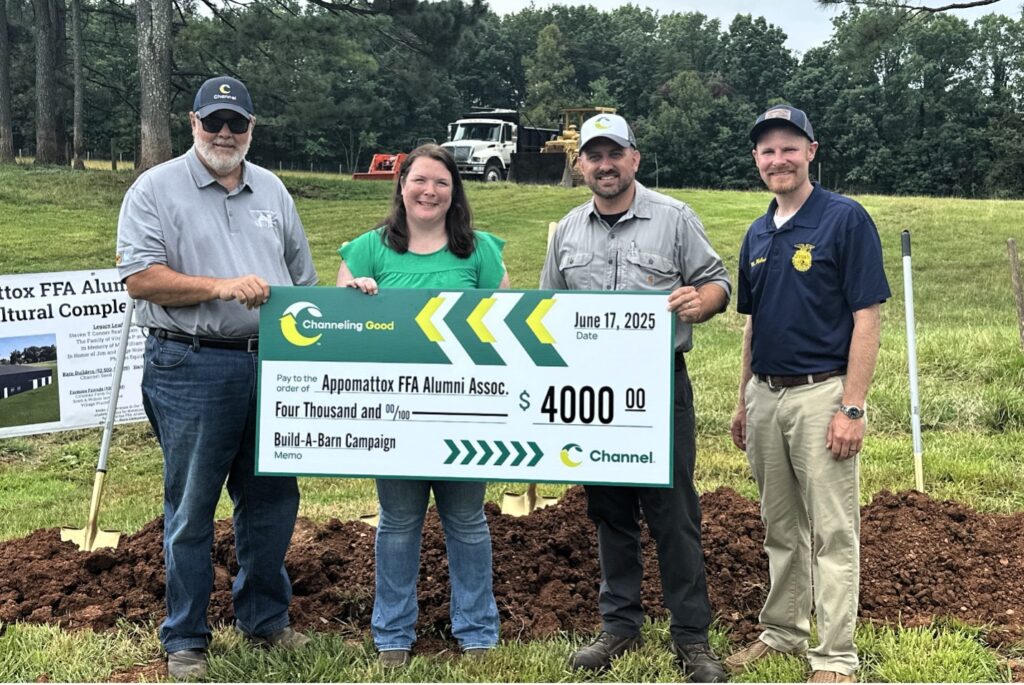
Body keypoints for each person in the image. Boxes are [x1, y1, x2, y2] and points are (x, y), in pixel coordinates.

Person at [115, 75, 318, 681]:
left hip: (270, 363)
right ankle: (185, 638)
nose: (225, 133)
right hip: (191, 364)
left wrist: (346, 302)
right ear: (193, 122)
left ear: (252, 129)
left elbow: (300, 285)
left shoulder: (273, 191)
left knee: (272, 500)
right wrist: (220, 286)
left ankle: (265, 621)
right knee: (192, 506)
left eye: (237, 123)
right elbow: (141, 278)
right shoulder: (155, 189)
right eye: (214, 122)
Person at [540, 113, 730, 682]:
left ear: (634, 159)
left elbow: (717, 279)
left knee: (673, 512)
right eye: (594, 155)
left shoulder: (674, 219)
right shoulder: (566, 231)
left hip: (658, 382)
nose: (604, 164)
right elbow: (549, 311)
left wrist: (705, 302)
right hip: (591, 391)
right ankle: (619, 625)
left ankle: (691, 637)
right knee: (609, 511)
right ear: (581, 165)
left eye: (614, 153)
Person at [726, 105, 890, 684]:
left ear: (811, 152)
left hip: (823, 395)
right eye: (767, 151)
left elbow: (866, 317)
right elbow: (753, 323)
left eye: (789, 147)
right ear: (756, 160)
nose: (778, 159)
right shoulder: (757, 232)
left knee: (833, 530)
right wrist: (743, 398)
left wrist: (852, 405)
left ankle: (836, 657)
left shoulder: (843, 219)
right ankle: (783, 632)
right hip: (767, 397)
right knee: (780, 526)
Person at [337, 144, 506, 668]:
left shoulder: (478, 251)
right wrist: (354, 297)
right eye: (420, 181)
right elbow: (335, 332)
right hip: (394, 416)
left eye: (441, 183)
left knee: (467, 521)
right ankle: (392, 635)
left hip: (465, 413)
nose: (429, 191)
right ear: (401, 185)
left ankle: (477, 631)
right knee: (398, 522)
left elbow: (503, 327)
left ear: (455, 193)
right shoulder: (367, 251)